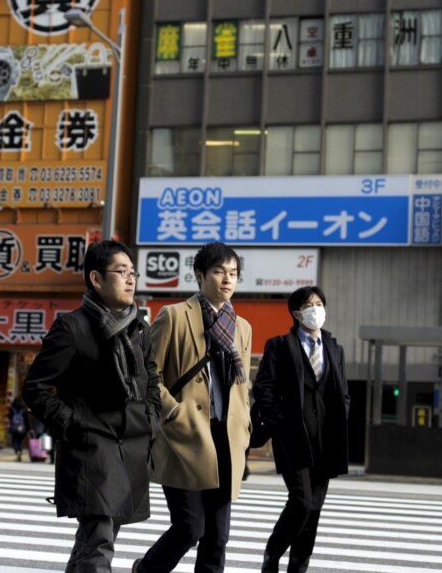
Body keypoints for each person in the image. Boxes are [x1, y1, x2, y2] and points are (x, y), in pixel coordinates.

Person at [23, 239, 161, 572]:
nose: (130, 279)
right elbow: (36, 388)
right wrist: (75, 426)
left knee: (98, 535)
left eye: (133, 272)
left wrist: (152, 418)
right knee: (99, 540)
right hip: (93, 448)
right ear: (96, 279)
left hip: (131, 446)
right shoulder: (72, 327)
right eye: (121, 272)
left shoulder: (138, 328)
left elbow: (152, 380)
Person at [136, 242, 253, 573]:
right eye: (218, 271)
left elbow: (241, 386)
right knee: (190, 527)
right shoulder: (174, 316)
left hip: (225, 441)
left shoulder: (241, 327)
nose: (226, 279)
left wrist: (244, 427)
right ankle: (145, 570)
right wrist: (173, 412)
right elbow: (147, 375)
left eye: (232, 273)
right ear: (200, 275)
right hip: (184, 437)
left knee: (218, 537)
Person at [253, 286, 350, 573]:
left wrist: (341, 416)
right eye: (310, 305)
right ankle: (272, 554)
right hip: (293, 439)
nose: (316, 309)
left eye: (320, 303)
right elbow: (264, 388)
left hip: (326, 441)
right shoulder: (280, 345)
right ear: (297, 313)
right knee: (302, 503)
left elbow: (343, 392)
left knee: (315, 510)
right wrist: (282, 421)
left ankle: (298, 568)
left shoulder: (335, 349)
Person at [7, 392, 29, 461]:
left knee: (14, 442)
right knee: (19, 442)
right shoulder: (24, 408)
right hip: (22, 429)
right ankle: (19, 451)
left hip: (14, 428)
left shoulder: (12, 407)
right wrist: (28, 429)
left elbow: (10, 417)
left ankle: (17, 452)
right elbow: (26, 419)